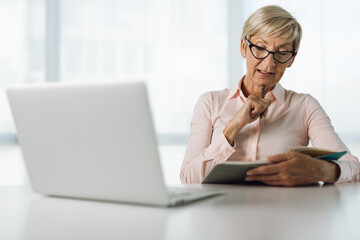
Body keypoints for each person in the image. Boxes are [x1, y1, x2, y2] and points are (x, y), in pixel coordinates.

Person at [180, 5, 360, 186]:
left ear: (292, 58)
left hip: (284, 212)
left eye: (282, 53)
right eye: (260, 47)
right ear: (244, 47)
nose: (269, 64)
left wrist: (319, 170)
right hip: (223, 213)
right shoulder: (210, 103)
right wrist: (233, 128)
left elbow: (353, 167)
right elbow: (189, 178)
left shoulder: (305, 106)